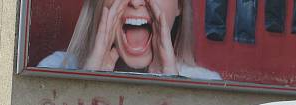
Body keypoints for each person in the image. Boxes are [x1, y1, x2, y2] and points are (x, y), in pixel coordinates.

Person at [37, 0, 221, 80]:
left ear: (180, 5)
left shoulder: (206, 84)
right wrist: (89, 83)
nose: (136, 2)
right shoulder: (54, 68)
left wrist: (168, 88)